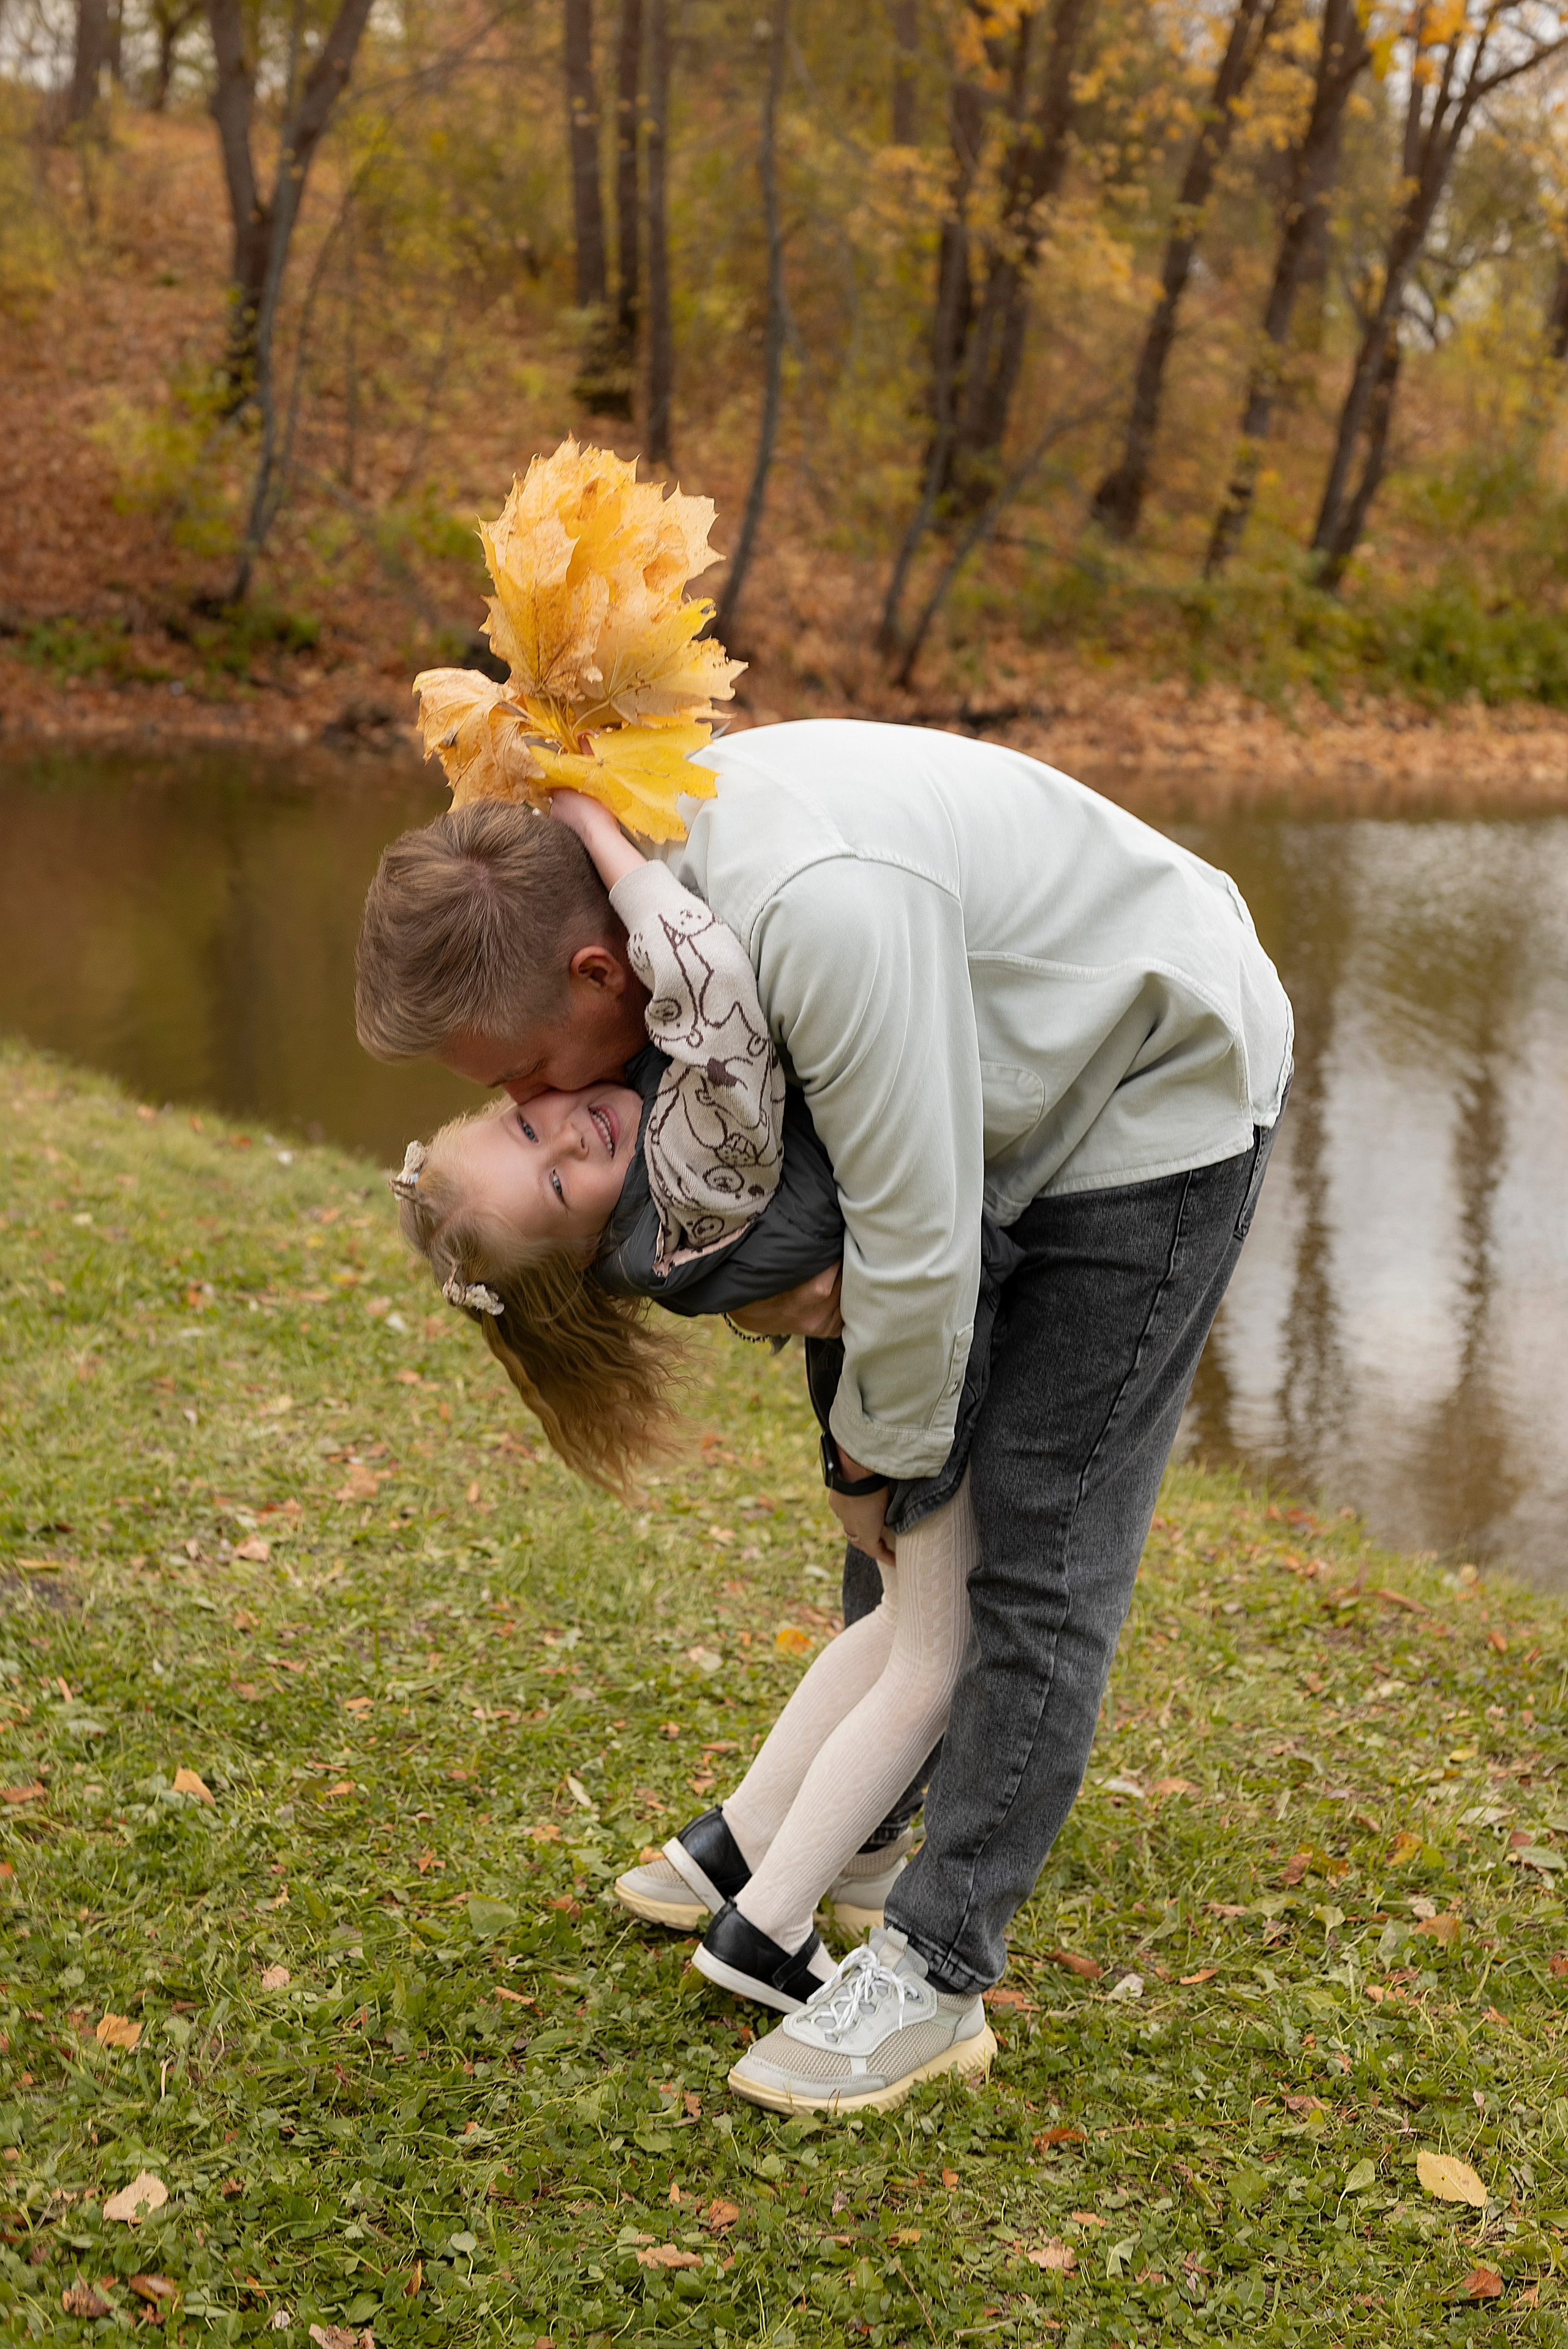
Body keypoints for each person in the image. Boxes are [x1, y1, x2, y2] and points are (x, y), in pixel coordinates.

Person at [356, 717, 1293, 2117]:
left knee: (1035, 1547)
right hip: (979, 1115)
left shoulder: (815, 916)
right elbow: (861, 1229)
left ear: (597, 970)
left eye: (523, 1072)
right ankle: (833, 1840)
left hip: (1151, 1065)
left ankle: (933, 1965)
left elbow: (910, 1250)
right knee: (910, 1546)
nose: (533, 1104)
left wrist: (867, 1459)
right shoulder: (660, 949)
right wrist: (867, 1456)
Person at [389, 789, 996, 2041]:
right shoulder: (691, 1170)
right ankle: (766, 1928)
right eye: (559, 1174)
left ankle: (735, 1849)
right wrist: (610, 844)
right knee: (938, 1655)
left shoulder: (645, 1205)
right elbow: (707, 972)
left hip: (870, 1365)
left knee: (895, 1626)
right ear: (582, 1239)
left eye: (526, 1113)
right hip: (902, 1373)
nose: (569, 1118)